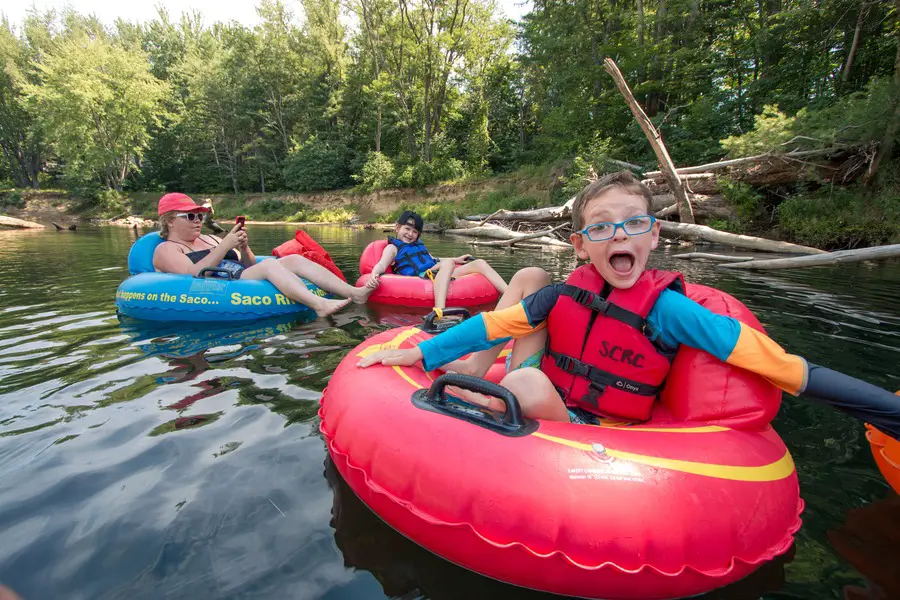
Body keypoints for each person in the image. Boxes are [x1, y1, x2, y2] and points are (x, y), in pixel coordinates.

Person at [358, 171, 900, 440]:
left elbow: (781, 366)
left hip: (597, 422)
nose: (619, 234)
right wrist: (423, 356)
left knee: (522, 382)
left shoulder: (670, 311)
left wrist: (886, 412)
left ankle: (492, 399)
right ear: (582, 245)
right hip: (549, 385)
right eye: (601, 227)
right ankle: (482, 380)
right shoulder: (564, 292)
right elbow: (498, 322)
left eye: (634, 223)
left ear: (654, 235)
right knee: (528, 304)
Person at [152, 193, 378, 318]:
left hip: (239, 276)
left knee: (294, 260)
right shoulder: (167, 249)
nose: (199, 221)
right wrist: (225, 245)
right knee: (270, 265)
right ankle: (318, 305)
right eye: (191, 217)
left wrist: (242, 247)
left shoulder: (210, 239)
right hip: (218, 285)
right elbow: (192, 274)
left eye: (200, 216)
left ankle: (355, 293)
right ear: (170, 220)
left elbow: (247, 264)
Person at [368, 210, 508, 312]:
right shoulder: (393, 248)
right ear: (398, 227)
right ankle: (440, 311)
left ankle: (512, 295)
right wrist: (374, 274)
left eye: (415, 232)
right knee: (447, 264)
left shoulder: (418, 245)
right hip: (421, 278)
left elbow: (433, 259)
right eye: (407, 229)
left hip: (434, 273)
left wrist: (456, 259)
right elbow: (381, 264)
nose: (410, 234)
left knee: (480, 263)